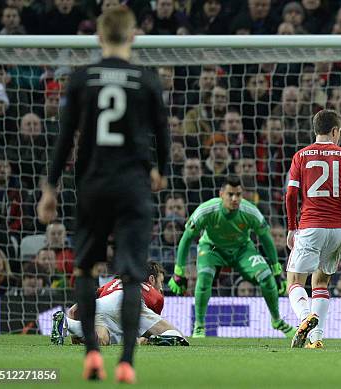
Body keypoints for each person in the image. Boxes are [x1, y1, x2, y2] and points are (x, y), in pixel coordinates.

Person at [36, 7, 170, 384]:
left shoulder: (83, 77)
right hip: (132, 186)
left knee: (86, 267)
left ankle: (93, 354)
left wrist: (50, 187)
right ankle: (126, 360)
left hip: (93, 184)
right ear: (133, 37)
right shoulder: (146, 78)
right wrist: (162, 170)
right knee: (130, 274)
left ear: (98, 38)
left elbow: (66, 137)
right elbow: (162, 132)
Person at [285, 109, 341, 349]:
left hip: (311, 224)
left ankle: (306, 317)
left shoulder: (301, 156)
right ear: (335, 131)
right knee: (321, 283)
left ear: (316, 129)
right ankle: (316, 339)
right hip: (339, 228)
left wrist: (291, 227)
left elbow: (291, 193)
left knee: (294, 280)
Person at [168, 175, 296, 339]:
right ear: (221, 194)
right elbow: (186, 237)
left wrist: (276, 269)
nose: (235, 199)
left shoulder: (250, 211)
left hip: (242, 250)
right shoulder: (207, 210)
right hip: (212, 248)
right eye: (230, 194)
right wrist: (179, 271)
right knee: (204, 277)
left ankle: (277, 321)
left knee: (266, 277)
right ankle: (199, 326)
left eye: (238, 194)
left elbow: (266, 238)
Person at [51, 261, 188, 347]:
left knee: (102, 340)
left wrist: (75, 330)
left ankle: (66, 324)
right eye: (161, 282)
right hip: (129, 300)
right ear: (152, 279)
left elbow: (74, 310)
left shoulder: (111, 284)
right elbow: (146, 326)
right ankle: (153, 341)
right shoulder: (151, 291)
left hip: (101, 304)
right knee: (178, 335)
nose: (162, 288)